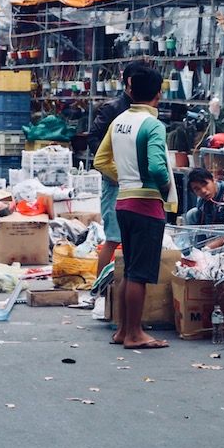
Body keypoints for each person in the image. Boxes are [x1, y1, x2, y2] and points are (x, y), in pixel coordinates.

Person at [94, 63, 176, 349]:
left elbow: (100, 161)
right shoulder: (153, 125)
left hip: (124, 201)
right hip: (146, 205)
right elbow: (156, 166)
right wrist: (163, 185)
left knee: (129, 270)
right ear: (159, 93)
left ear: (129, 89)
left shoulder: (119, 121)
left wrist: (126, 179)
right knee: (139, 273)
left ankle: (122, 331)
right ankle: (134, 334)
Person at [88, 63, 138, 289]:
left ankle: (123, 288)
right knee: (113, 237)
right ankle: (98, 289)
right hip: (116, 182)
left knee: (133, 241)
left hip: (138, 184)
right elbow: (93, 140)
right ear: (128, 83)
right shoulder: (113, 108)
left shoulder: (144, 110)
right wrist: (113, 167)